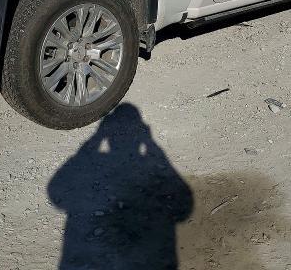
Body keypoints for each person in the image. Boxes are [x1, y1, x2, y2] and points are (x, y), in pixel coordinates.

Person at [48, 103, 193, 270]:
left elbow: (55, 190)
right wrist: (151, 144)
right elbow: (184, 208)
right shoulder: (144, 165)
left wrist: (97, 136)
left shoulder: (100, 160)